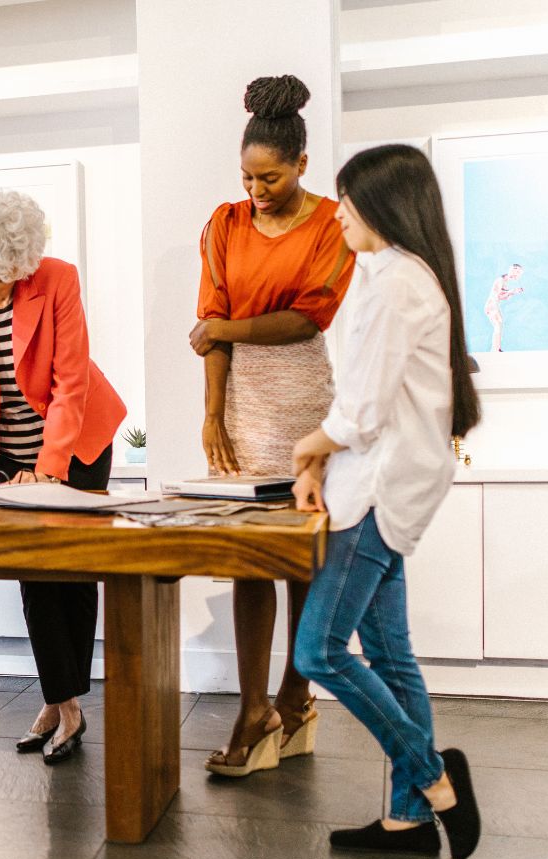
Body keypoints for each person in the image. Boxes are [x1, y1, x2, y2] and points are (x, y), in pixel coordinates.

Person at [291, 143, 483, 859]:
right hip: (381, 484)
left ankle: (433, 780)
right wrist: (322, 460)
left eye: (348, 200)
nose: (337, 212)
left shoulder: (400, 280)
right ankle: (406, 822)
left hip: (376, 489)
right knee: (392, 656)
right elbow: (366, 399)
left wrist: (308, 449)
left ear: (383, 206)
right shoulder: (396, 275)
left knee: (317, 651)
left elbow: (362, 410)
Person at [188, 75, 355, 777]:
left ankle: (296, 697)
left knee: (299, 557)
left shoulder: (329, 223)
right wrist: (211, 412)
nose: (258, 190)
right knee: (244, 556)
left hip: (304, 398)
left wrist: (220, 326)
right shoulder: (224, 224)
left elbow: (306, 319)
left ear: (303, 166)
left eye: (272, 177)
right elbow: (211, 332)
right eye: (248, 177)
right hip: (244, 403)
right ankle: (253, 709)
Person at [0, 190, 126, 765]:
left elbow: (71, 385)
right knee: (31, 571)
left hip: (78, 444)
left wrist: (48, 474)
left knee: (71, 569)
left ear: (20, 268)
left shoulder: (57, 280)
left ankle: (63, 703)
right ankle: (61, 702)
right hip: (10, 451)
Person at [485, 263, 524, 352]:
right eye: (517, 272)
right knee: (498, 326)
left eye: (519, 273)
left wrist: (512, 292)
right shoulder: (500, 280)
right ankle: (495, 349)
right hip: (492, 306)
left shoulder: (505, 282)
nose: (518, 275)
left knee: (499, 326)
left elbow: (502, 297)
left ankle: (496, 348)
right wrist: (511, 292)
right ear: (512, 270)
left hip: (495, 306)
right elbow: (497, 296)